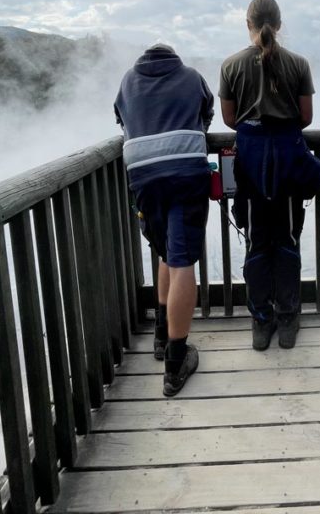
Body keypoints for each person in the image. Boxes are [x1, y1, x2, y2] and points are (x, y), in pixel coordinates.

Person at [219, 0, 320, 350]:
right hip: (289, 164)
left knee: (257, 243)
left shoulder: (230, 66)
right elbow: (306, 117)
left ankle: (261, 320)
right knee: (287, 240)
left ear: (247, 24)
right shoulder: (298, 63)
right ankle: (289, 316)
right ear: (278, 24)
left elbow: (230, 120)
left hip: (250, 164)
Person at [114, 43, 214, 397]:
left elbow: (121, 120)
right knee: (182, 259)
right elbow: (206, 114)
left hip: (142, 175)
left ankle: (160, 334)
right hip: (186, 171)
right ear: (175, 59)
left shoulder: (128, 81)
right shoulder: (191, 77)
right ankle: (175, 363)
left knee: (163, 252)